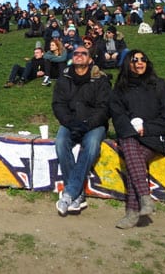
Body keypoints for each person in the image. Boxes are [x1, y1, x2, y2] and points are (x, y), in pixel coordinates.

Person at [109, 50, 165, 229]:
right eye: (134, 60)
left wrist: (145, 128)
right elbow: (118, 117)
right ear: (127, 64)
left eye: (143, 59)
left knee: (133, 158)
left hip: (155, 137)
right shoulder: (120, 90)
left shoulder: (161, 85)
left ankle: (132, 211)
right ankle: (144, 199)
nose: (139, 63)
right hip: (131, 136)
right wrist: (132, 131)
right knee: (131, 147)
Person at [52, 45, 111, 216]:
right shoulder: (64, 77)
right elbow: (58, 104)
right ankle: (78, 195)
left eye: (83, 53)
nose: (78, 55)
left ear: (90, 59)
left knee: (92, 145)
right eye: (75, 53)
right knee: (61, 142)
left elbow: (105, 107)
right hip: (70, 122)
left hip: (94, 124)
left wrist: (88, 124)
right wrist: (70, 123)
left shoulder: (100, 79)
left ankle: (69, 193)